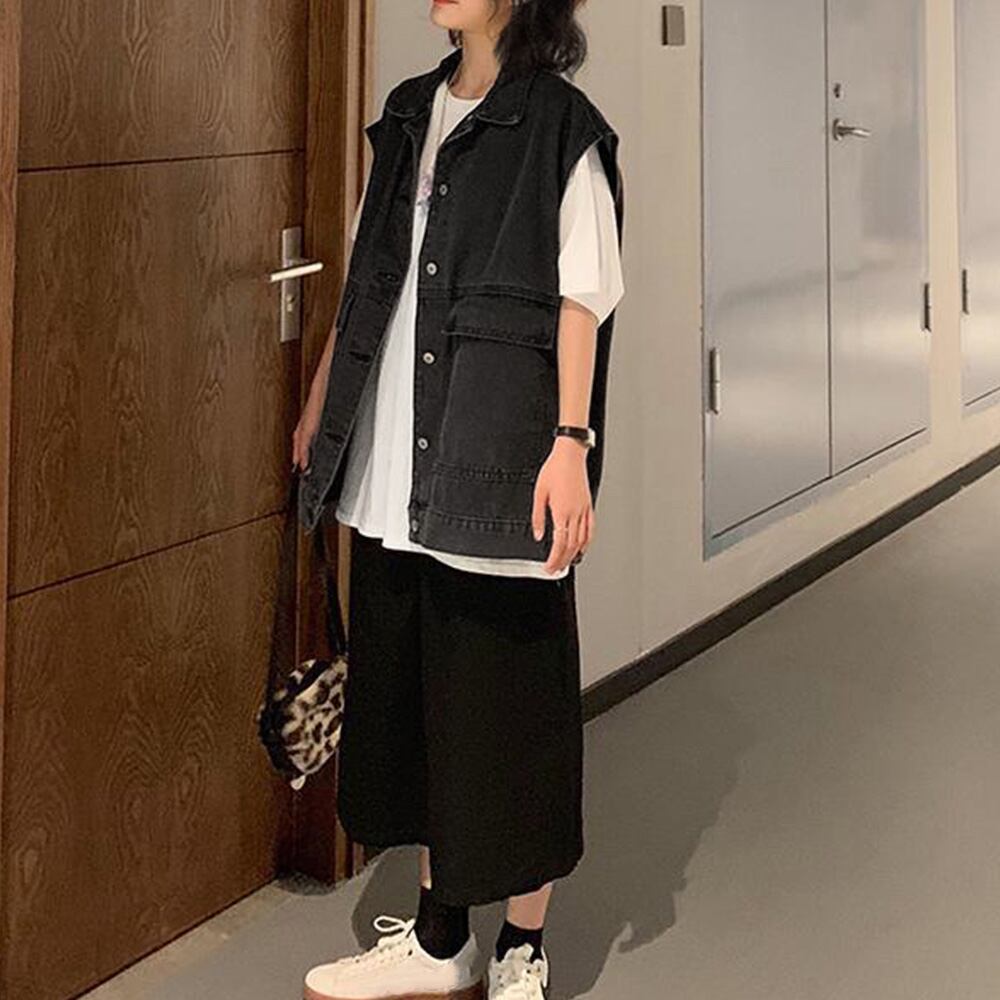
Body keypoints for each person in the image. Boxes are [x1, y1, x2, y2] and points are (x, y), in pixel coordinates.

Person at [293, 2, 624, 998]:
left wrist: (570, 444)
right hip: (396, 461)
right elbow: (368, 283)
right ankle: (441, 943)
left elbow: (584, 296)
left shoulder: (560, 124)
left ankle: (522, 945)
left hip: (497, 458)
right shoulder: (406, 113)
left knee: (510, 710)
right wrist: (321, 406)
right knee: (431, 706)